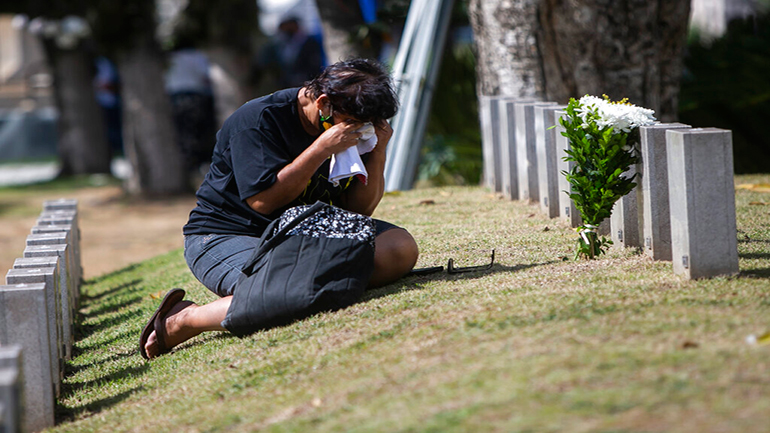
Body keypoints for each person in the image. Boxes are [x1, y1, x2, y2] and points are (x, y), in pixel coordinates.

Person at [140, 58, 419, 359]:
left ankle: (308, 284)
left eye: (370, 124)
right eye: (356, 121)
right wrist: (320, 149)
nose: (362, 129)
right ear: (324, 103)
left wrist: (378, 151)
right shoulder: (258, 120)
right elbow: (263, 201)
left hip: (306, 229)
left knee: (398, 249)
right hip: (226, 235)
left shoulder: (352, 127)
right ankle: (184, 319)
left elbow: (359, 211)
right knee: (284, 289)